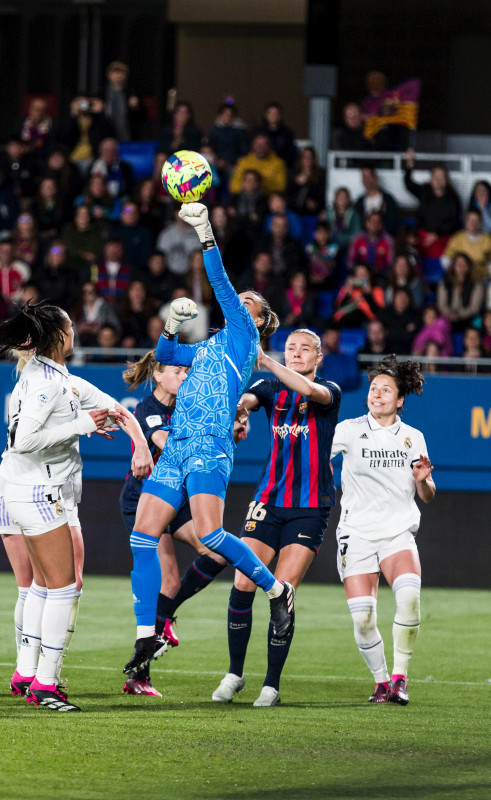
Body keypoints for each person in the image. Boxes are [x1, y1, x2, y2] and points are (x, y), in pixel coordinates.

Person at [122, 202, 296, 681]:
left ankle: (277, 590)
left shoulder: (242, 340)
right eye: (240, 301)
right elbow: (165, 353)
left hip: (210, 446)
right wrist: (172, 327)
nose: (239, 303)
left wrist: (204, 231)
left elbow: (219, 284)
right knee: (142, 535)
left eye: (248, 304)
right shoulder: (209, 347)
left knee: (213, 536)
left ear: (257, 321)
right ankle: (146, 634)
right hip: (178, 446)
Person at [0, 303, 148, 710]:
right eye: (70, 326)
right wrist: (83, 425)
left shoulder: (52, 377)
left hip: (28, 486)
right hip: (37, 489)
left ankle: (30, 673)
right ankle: (46, 684)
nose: (74, 331)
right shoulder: (47, 382)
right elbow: (24, 440)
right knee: (63, 588)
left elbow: (112, 409)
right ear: (61, 335)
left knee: (44, 587)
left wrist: (122, 432)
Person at [208, 330, 343, 706]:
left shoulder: (330, 390)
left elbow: (311, 392)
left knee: (282, 591)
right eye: (291, 349)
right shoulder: (270, 388)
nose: (297, 354)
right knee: (242, 582)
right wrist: (238, 408)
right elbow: (248, 399)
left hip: (310, 506)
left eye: (305, 350)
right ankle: (235, 673)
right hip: (269, 499)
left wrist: (267, 360)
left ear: (319, 357)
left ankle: (271, 684)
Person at [119, 353, 228, 696]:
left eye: (187, 371)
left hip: (176, 501)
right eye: (178, 371)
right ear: (158, 374)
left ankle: (164, 618)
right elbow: (166, 444)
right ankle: (139, 676)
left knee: (217, 553)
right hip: (145, 501)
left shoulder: (188, 407)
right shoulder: (146, 408)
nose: (184, 376)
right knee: (165, 580)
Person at [331, 355, 435, 705]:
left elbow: (428, 493)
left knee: (408, 598)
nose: (377, 394)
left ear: (400, 399)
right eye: (374, 388)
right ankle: (380, 682)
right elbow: (313, 458)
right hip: (356, 534)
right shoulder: (347, 430)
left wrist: (423, 482)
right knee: (363, 619)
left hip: (397, 534)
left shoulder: (413, 437)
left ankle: (400, 679)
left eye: (386, 390)